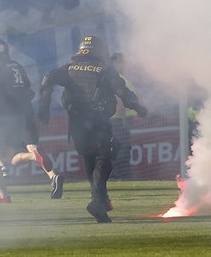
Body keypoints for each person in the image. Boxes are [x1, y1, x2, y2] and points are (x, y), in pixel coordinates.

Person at [38, 36, 147, 223]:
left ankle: (101, 203)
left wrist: (44, 106)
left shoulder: (69, 68)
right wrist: (139, 108)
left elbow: (48, 78)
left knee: (90, 159)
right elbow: (122, 92)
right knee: (106, 157)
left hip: (76, 127)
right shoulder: (104, 70)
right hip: (97, 124)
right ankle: (97, 201)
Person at [0, 36, 64, 203]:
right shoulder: (17, 67)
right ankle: (33, 158)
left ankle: (3, 195)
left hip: (6, 116)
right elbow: (25, 91)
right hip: (22, 115)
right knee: (11, 157)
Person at [109, 53, 138, 180]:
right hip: (118, 121)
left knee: (118, 149)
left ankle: (116, 176)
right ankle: (122, 176)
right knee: (122, 149)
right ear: (114, 63)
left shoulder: (114, 77)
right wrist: (124, 119)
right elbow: (119, 101)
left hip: (118, 120)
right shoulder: (116, 78)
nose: (123, 65)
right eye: (121, 62)